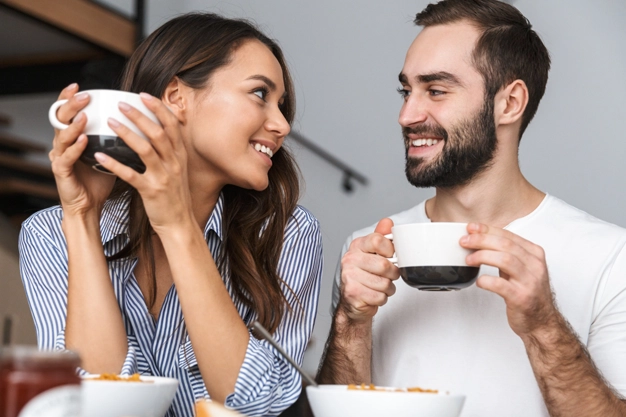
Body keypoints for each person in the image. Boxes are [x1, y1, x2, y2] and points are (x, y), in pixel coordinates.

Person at [317, 1, 626, 416]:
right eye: (406, 90)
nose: (406, 115)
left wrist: (544, 325)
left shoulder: (611, 258)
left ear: (510, 103)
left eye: (436, 90)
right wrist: (350, 323)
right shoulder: (366, 251)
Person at [19, 13, 323, 417]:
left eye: (281, 105)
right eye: (259, 94)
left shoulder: (288, 233)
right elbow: (93, 404)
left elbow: (259, 405)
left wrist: (177, 225)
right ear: (177, 96)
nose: (282, 124)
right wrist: (82, 218)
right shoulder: (49, 234)